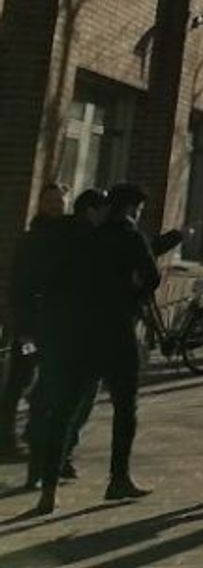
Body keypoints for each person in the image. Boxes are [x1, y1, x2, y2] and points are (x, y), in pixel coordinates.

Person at [73, 183, 160, 505]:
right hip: (119, 326)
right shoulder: (130, 235)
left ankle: (53, 465)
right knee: (125, 405)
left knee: (77, 396)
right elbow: (152, 277)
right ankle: (118, 477)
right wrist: (133, 296)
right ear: (133, 208)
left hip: (86, 327)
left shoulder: (90, 236)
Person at [24, 189, 108, 512]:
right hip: (74, 335)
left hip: (52, 331)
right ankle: (52, 466)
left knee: (49, 400)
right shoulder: (85, 241)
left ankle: (44, 468)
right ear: (91, 211)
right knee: (68, 402)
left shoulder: (53, 237)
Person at [1, 183, 67, 461]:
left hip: (56, 327)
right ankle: (6, 438)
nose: (56, 206)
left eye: (60, 202)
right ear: (40, 204)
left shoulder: (68, 238)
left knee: (49, 379)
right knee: (21, 378)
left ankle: (33, 432)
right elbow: (21, 285)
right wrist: (23, 329)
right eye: (51, 201)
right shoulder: (31, 240)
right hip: (30, 329)